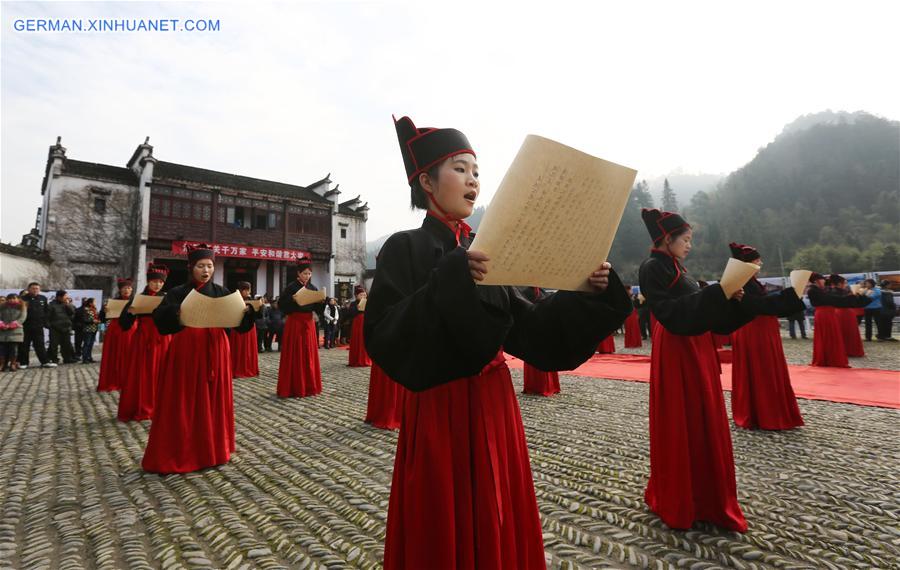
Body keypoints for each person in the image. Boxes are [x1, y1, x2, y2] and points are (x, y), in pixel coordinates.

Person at [365, 115, 631, 568]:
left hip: (494, 404)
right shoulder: (404, 248)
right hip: (440, 408)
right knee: (444, 525)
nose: (473, 180)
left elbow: (534, 331)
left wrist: (588, 291)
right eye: (460, 168)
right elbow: (386, 335)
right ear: (426, 180)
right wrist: (448, 278)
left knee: (496, 515)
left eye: (477, 171)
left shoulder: (487, 249)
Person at [639, 209, 763, 533]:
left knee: (704, 417)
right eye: (686, 239)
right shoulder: (653, 267)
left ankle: (707, 496)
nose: (689, 245)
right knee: (684, 418)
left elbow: (702, 309)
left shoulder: (678, 267)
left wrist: (729, 298)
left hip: (696, 347)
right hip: (677, 349)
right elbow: (670, 312)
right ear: (668, 239)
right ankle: (683, 496)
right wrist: (715, 293)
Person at [142, 244, 255, 473]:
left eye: (210, 266)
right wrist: (176, 313)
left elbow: (239, 326)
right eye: (201, 266)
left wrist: (250, 314)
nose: (206, 270)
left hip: (216, 349)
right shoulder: (177, 292)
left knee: (214, 398)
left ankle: (213, 447)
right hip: (187, 350)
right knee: (185, 398)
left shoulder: (223, 292)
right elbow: (161, 321)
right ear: (191, 267)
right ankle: (183, 448)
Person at [726, 242, 805, 430]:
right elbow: (759, 305)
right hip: (753, 330)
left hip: (762, 329)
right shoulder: (742, 283)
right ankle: (763, 412)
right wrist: (790, 294)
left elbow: (764, 301)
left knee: (766, 369)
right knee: (762, 369)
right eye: (757, 260)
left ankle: (767, 410)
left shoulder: (752, 282)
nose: (760, 263)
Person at [117, 263, 172, 422]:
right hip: (142, 340)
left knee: (162, 373)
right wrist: (129, 312)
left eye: (161, 282)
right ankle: (141, 406)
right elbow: (124, 324)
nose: (158, 284)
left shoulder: (166, 298)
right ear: (148, 281)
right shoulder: (137, 298)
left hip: (163, 339)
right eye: (155, 281)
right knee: (141, 373)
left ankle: (162, 407)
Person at [276, 257, 324, 398]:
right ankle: (294, 386)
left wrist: (321, 301)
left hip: (308, 323)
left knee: (308, 353)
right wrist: (293, 299)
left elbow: (318, 309)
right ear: (298, 273)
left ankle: (309, 385)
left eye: (309, 274)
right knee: (295, 353)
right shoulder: (291, 287)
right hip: (295, 322)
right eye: (304, 274)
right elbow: (281, 305)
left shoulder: (312, 288)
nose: (307, 276)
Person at [807, 273, 870, 367]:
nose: (824, 281)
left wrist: (855, 296)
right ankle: (828, 359)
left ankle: (832, 358)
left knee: (833, 336)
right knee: (828, 337)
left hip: (829, 313)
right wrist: (851, 296)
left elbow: (834, 299)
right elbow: (831, 299)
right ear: (816, 280)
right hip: (823, 314)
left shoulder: (822, 289)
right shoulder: (813, 290)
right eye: (822, 279)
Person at [97, 278, 137, 391]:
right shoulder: (112, 301)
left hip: (131, 330)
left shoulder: (135, 301)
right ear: (120, 290)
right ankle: (113, 380)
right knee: (114, 355)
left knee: (130, 356)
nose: (127, 290)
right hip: (115, 330)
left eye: (129, 288)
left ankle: (128, 381)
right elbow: (102, 319)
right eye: (124, 288)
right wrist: (104, 312)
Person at [521, 287, 562, 396]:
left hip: (538, 330)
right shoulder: (530, 292)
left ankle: (537, 385)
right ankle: (544, 385)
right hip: (536, 330)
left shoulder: (534, 293)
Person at [829, 275, 868, 358]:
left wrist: (859, 295)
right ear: (839, 283)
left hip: (849, 313)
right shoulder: (833, 291)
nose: (846, 285)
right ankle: (844, 350)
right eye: (845, 283)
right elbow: (840, 301)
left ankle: (852, 350)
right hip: (840, 313)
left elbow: (856, 303)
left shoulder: (844, 291)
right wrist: (851, 296)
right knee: (844, 332)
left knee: (851, 332)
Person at [18, 282, 54, 369]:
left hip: (38, 326)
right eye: (33, 288)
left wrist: (45, 322)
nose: (35, 290)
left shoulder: (43, 298)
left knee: (40, 345)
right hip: (25, 326)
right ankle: (24, 363)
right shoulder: (22, 299)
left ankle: (44, 362)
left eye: (37, 288)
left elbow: (47, 311)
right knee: (24, 345)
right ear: (28, 289)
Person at [230, 281, 260, 378]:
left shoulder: (251, 300)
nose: (247, 292)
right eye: (245, 290)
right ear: (240, 290)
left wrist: (254, 308)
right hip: (237, 327)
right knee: (237, 349)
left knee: (249, 350)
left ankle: (250, 368)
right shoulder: (234, 299)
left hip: (250, 327)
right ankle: (236, 368)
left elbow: (258, 315)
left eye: (249, 290)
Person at [47, 290, 78, 364]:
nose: (66, 298)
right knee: (54, 345)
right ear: (59, 297)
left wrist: (68, 305)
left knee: (66, 344)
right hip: (55, 328)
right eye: (65, 296)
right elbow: (47, 317)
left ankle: (67, 358)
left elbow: (72, 313)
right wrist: (49, 326)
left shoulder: (67, 304)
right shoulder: (51, 305)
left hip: (66, 327)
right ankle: (53, 359)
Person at [0, 293, 27, 372]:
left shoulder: (22, 306)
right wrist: (2, 324)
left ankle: (13, 364)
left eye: (14, 298)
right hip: (3, 331)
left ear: (18, 299)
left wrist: (12, 325)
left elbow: (22, 318)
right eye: (9, 298)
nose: (11, 300)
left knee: (13, 349)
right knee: (2, 349)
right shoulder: (2, 307)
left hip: (16, 331)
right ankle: (2, 364)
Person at [347, 285, 372, 367]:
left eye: (364, 295)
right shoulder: (353, 304)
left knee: (365, 340)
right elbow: (350, 314)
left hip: (366, 323)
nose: (363, 296)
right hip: (357, 324)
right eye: (361, 295)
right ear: (356, 295)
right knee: (357, 340)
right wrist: (357, 308)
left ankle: (365, 359)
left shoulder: (368, 302)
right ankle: (355, 359)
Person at [80, 298, 100, 363]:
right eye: (94, 302)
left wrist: (98, 320)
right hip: (87, 329)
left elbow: (97, 317)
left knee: (91, 344)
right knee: (86, 344)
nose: (95, 303)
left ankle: (89, 357)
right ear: (90, 303)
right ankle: (84, 358)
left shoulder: (95, 309)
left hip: (94, 329)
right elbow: (84, 319)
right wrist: (92, 321)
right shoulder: (85, 309)